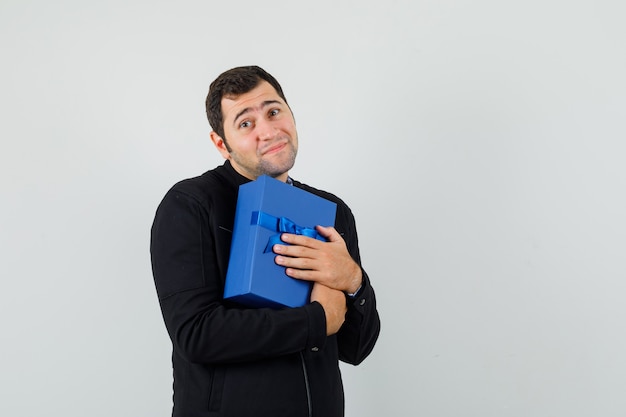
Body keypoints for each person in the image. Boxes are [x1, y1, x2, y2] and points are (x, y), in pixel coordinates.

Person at [150, 65, 380, 417]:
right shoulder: (191, 204)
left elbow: (355, 348)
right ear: (220, 143)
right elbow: (196, 334)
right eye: (246, 123)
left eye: (274, 112)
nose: (268, 130)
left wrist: (354, 282)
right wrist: (316, 321)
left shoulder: (332, 212)